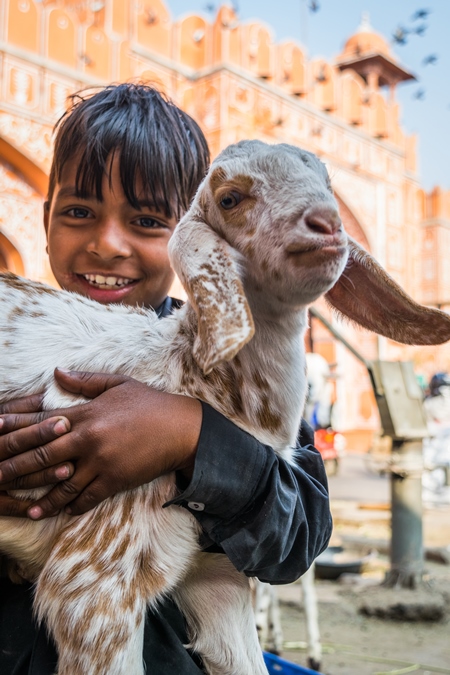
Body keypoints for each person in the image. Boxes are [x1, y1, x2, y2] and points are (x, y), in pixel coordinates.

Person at [0, 84, 332, 675]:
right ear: (45, 219)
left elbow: (299, 534)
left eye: (147, 221)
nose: (107, 244)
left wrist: (191, 436)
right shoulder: (17, 342)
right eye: (78, 213)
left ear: (193, 237)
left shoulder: (242, 367)